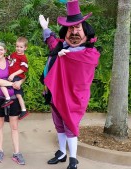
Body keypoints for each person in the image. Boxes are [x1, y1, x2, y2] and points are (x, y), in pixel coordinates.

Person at [39, 0, 100, 169]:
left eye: (77, 29)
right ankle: (62, 152)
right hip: (55, 93)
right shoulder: (62, 46)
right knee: (58, 124)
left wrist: (64, 58)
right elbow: (52, 42)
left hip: (74, 97)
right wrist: (45, 28)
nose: (73, 33)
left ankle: (73, 159)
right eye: (70, 29)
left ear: (86, 33)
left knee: (70, 125)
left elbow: (80, 71)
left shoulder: (89, 54)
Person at [0, 42, 26, 165]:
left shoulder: (11, 61)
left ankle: (17, 153)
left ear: (5, 51)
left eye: (1, 50)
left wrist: (20, 82)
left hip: (13, 98)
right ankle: (0, 150)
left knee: (14, 127)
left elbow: (23, 73)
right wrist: (12, 84)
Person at [0, 37, 29, 120]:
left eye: (21, 47)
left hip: (17, 77)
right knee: (18, 95)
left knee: (2, 84)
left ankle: (8, 99)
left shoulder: (23, 58)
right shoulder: (13, 54)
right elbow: (7, 59)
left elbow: (24, 69)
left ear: (25, 48)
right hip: (14, 77)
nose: (18, 49)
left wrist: (13, 75)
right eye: (17, 46)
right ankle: (23, 110)